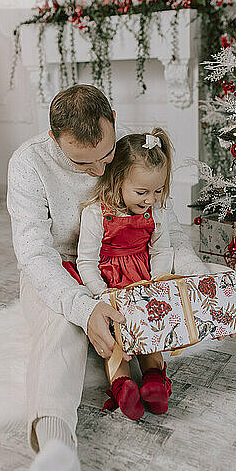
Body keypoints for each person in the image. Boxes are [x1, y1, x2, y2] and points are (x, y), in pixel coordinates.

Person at [6, 84, 207, 471]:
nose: (101, 168)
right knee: (64, 328)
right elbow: (35, 256)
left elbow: (164, 224)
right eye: (83, 161)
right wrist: (86, 305)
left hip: (125, 264)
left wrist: (192, 273)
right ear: (55, 138)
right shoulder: (28, 164)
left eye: (106, 153)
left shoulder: (126, 150)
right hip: (60, 266)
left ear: (113, 122)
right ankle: (55, 442)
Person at [76, 128, 177, 421]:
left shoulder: (155, 213)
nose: (150, 199)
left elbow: (161, 250)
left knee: (150, 334)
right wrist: (100, 294)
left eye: (157, 191)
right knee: (115, 341)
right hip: (110, 288)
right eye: (142, 192)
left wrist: (156, 281)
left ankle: (155, 382)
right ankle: (123, 388)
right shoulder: (97, 213)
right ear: (118, 180)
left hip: (142, 283)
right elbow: (86, 260)